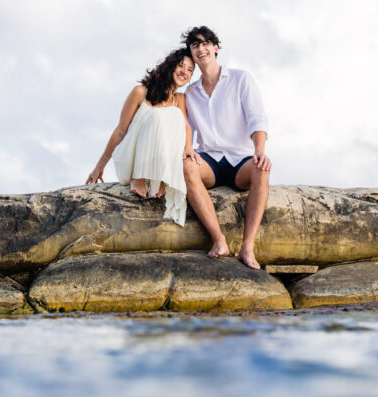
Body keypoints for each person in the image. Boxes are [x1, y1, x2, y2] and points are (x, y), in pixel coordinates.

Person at [181, 26, 271, 269]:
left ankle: (247, 248)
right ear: (191, 52)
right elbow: (186, 128)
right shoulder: (190, 92)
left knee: (262, 169)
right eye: (195, 45)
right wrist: (188, 148)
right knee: (187, 165)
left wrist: (259, 150)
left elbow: (257, 119)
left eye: (206, 43)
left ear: (215, 48)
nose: (201, 49)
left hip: (240, 159)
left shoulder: (241, 79)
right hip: (208, 160)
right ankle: (219, 240)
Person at [86, 49, 195, 226]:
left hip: (159, 163)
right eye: (180, 66)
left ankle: (158, 176)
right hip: (132, 160)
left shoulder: (179, 99)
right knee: (157, 116)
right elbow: (121, 130)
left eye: (190, 70)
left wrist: (189, 148)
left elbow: (186, 128)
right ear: (169, 66)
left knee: (175, 117)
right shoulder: (140, 92)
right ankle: (140, 177)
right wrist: (99, 166)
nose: (184, 72)